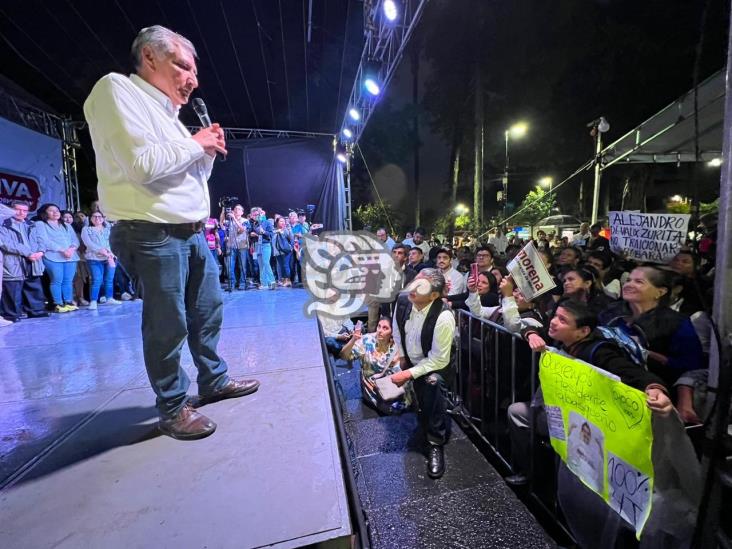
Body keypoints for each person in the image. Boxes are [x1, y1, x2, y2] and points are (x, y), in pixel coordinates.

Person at [83, 25, 259, 440]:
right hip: (151, 231)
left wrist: (206, 149)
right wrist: (197, 143)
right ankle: (173, 406)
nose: (192, 79)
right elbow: (141, 166)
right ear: (150, 58)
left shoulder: (172, 118)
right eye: (183, 66)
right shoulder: (116, 91)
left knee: (208, 310)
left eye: (194, 72)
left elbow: (189, 176)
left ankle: (213, 381)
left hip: (192, 232)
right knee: (168, 323)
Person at [392, 269, 456, 479]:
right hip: (411, 358)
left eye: (422, 286)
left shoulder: (444, 316)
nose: (414, 288)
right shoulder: (402, 300)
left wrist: (409, 373)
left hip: (436, 365)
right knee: (421, 402)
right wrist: (402, 355)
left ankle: (435, 443)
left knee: (432, 384)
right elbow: (396, 328)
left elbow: (439, 359)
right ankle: (423, 419)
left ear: (434, 295)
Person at [598, 265, 703, 387]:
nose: (629, 285)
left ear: (660, 292)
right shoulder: (610, 311)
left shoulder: (676, 323)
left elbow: (692, 366)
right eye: (628, 280)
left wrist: (648, 355)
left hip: (651, 389)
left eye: (639, 282)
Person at [340, 316, 412, 414]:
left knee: (408, 405)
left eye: (385, 328)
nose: (380, 330)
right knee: (394, 409)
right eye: (379, 326)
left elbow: (402, 370)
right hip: (373, 387)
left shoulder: (397, 344)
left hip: (393, 385)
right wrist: (353, 340)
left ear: (392, 332)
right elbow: (344, 356)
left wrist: (398, 360)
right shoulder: (367, 341)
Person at [0, 201, 48, 321]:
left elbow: (40, 240)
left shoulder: (31, 224)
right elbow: (6, 243)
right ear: (11, 210)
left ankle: (36, 311)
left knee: (34, 286)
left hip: (33, 259)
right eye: (18, 209)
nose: (21, 213)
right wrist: (28, 253)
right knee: (13, 289)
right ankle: (11, 314)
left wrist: (40, 252)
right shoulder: (3, 224)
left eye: (25, 210)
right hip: (13, 260)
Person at [34, 203, 80, 313]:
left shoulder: (66, 225)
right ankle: (58, 303)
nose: (55, 212)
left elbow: (75, 240)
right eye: (51, 210)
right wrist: (62, 250)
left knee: (68, 281)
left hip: (70, 256)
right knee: (57, 280)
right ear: (45, 213)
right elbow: (44, 241)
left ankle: (68, 302)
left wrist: (71, 249)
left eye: (57, 210)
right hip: (52, 256)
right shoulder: (40, 224)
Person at [81, 212, 121, 309]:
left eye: (99, 217)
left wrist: (109, 253)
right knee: (97, 280)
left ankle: (109, 298)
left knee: (109, 280)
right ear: (90, 219)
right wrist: (100, 250)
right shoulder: (86, 229)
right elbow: (88, 243)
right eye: (94, 216)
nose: (97, 218)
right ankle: (93, 301)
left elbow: (112, 242)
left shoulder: (108, 229)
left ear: (103, 219)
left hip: (110, 257)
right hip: (94, 258)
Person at [250, 207, 276, 289]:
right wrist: (252, 235)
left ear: (260, 214)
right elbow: (253, 236)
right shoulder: (255, 224)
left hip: (266, 245)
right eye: (254, 215)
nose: (256, 216)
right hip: (258, 245)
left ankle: (272, 281)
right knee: (261, 265)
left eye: (257, 214)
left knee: (266, 262)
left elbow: (271, 234)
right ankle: (264, 284)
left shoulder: (267, 222)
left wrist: (264, 232)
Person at [273, 216, 294, 287]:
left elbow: (291, 239)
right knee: (281, 266)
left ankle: (288, 280)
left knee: (286, 265)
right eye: (281, 221)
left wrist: (282, 232)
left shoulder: (286, 230)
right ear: (277, 222)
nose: (283, 222)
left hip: (286, 251)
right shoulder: (274, 230)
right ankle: (284, 280)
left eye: (283, 221)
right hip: (277, 252)